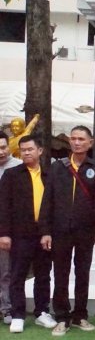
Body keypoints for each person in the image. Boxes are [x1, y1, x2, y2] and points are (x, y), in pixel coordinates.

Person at [38, 126, 95, 336]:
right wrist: (45, 230)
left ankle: (80, 315)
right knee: (61, 274)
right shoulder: (58, 167)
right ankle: (62, 317)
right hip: (60, 230)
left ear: (90, 143)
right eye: (73, 139)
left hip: (86, 230)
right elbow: (48, 200)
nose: (77, 142)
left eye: (81, 139)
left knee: (83, 273)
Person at [0, 134, 56, 333]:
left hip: (43, 234)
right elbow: (4, 206)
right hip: (19, 234)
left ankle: (42, 312)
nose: (26, 153)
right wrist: (4, 233)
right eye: (23, 150)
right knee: (17, 275)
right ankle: (17, 315)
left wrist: (48, 232)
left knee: (43, 275)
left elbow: (53, 207)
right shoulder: (12, 175)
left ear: (40, 151)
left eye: (30, 149)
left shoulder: (50, 176)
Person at [0, 131, 21, 325]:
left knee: (6, 271)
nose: (1, 152)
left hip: (7, 228)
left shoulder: (18, 168)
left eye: (3, 147)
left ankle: (7, 308)